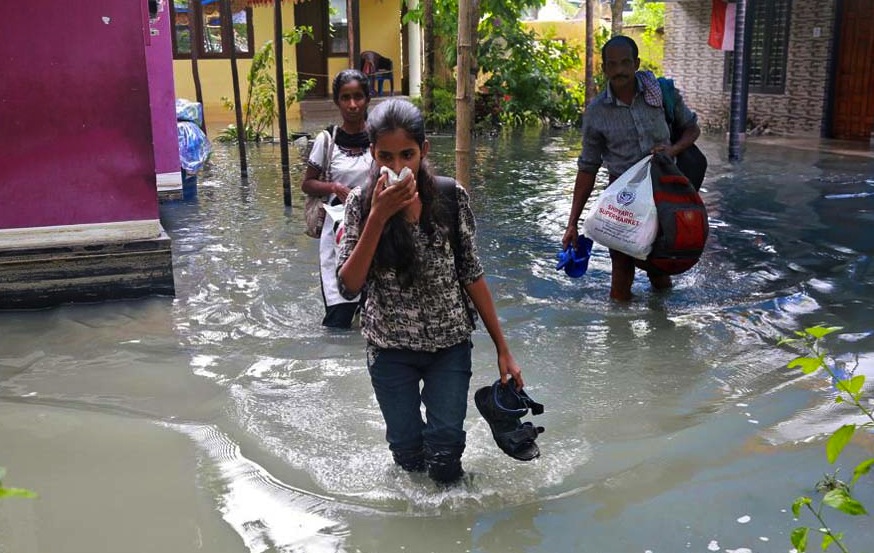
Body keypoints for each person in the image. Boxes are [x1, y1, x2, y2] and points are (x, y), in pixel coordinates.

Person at [336, 99, 524, 486]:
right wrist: (378, 216)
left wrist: (504, 350)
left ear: (424, 150)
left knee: (446, 450)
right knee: (406, 452)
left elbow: (472, 275)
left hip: (449, 345)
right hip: (389, 349)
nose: (398, 167)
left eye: (408, 154)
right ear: (373, 154)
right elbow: (348, 284)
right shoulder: (360, 205)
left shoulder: (451, 198)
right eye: (386, 156)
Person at [562, 35, 702, 301]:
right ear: (604, 69)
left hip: (665, 195)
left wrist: (672, 150)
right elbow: (587, 168)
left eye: (626, 63)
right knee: (621, 275)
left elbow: (692, 129)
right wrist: (572, 223)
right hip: (624, 201)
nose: (619, 70)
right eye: (612, 65)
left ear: (636, 63)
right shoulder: (596, 112)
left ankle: (664, 332)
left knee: (661, 269)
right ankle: (618, 335)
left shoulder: (660, 95)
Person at [301, 69, 372, 328]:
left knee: (372, 310)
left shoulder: (380, 139)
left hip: (374, 228)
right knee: (338, 313)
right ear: (337, 101)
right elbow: (307, 183)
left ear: (367, 99)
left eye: (358, 97)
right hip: (336, 233)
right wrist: (334, 187)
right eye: (346, 98)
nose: (352, 105)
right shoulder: (327, 139)